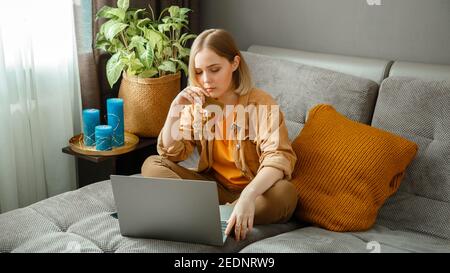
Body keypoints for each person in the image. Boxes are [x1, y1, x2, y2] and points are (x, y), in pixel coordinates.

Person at [141, 29, 298, 242]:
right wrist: (175, 109)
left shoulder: (261, 103)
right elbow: (173, 152)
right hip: (213, 190)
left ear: (234, 64)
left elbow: (278, 158)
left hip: (256, 193)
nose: (206, 80)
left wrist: (247, 197)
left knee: (286, 194)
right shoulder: (197, 103)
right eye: (199, 72)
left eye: (214, 69)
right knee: (152, 165)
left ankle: (208, 215)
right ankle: (215, 215)